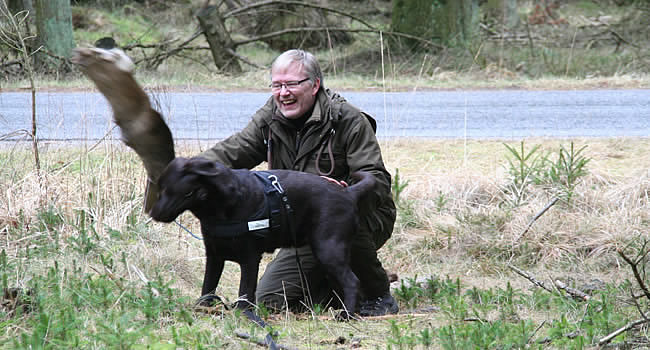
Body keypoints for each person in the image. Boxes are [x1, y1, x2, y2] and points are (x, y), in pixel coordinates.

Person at [151, 49, 398, 316]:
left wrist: (341, 190)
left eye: (292, 84)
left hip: (361, 215)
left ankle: (378, 293)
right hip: (299, 222)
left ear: (315, 85)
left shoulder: (346, 119)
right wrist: (183, 171)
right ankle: (337, 284)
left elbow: (377, 182)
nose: (283, 93)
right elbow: (235, 150)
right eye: (277, 85)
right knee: (270, 299)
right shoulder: (271, 116)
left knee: (340, 210)